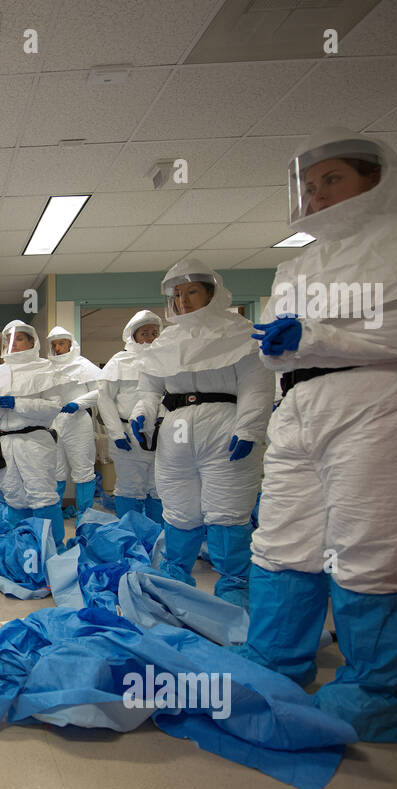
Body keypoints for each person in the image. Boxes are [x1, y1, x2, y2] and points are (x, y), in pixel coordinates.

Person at [239, 128, 397, 742]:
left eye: (333, 179)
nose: (319, 194)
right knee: (284, 538)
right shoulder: (299, 263)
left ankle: (371, 694)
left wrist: (317, 339)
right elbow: (279, 345)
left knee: (368, 550)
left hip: (390, 400)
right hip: (304, 403)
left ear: (375, 180)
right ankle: (278, 660)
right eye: (310, 184)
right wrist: (290, 349)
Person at [128, 258, 273, 608]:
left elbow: (257, 386)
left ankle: (235, 588)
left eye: (191, 291)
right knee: (179, 509)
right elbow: (149, 388)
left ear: (212, 292)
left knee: (227, 512)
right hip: (176, 432)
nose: (183, 301)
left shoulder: (240, 332)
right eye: (177, 294)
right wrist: (141, 413)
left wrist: (250, 428)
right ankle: (176, 579)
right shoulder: (166, 343)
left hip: (225, 430)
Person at [0, 320, 66, 546]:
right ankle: (23, 546)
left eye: (19, 338)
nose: (14, 344)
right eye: (10, 340)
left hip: (35, 441)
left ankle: (53, 548)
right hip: (4, 442)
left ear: (32, 341)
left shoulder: (45, 368)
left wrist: (18, 403)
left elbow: (53, 406)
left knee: (42, 495)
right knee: (14, 495)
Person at [91, 311, 164, 521]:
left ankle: (156, 535)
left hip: (160, 434)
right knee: (130, 486)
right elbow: (105, 399)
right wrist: (116, 433)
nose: (150, 337)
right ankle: (131, 534)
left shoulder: (165, 360)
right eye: (144, 333)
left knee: (158, 486)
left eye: (154, 333)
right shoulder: (119, 362)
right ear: (133, 335)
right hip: (127, 435)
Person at [46, 325, 102, 518]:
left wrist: (78, 403)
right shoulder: (47, 368)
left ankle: (85, 516)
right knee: (55, 469)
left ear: (70, 344)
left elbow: (100, 391)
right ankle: (54, 513)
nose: (58, 348)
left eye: (62, 343)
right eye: (55, 345)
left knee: (83, 468)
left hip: (77, 421)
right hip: (53, 422)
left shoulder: (83, 365)